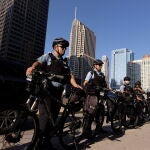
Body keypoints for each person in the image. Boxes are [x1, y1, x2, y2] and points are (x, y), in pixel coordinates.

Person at [26, 37, 82, 149]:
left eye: (65, 47)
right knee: (45, 116)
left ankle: (47, 142)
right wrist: (32, 67)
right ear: (56, 47)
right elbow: (38, 62)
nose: (64, 49)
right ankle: (37, 143)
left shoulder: (65, 62)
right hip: (47, 91)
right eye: (62, 47)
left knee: (54, 117)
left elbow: (70, 75)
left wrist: (75, 85)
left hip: (58, 92)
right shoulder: (48, 56)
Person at [82, 59, 108, 138]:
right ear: (95, 66)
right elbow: (85, 83)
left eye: (101, 65)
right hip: (92, 96)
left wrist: (107, 89)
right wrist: (93, 86)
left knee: (101, 113)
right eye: (99, 65)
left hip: (100, 96)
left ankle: (99, 128)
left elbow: (105, 85)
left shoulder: (102, 75)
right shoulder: (91, 73)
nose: (100, 66)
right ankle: (87, 132)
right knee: (90, 113)